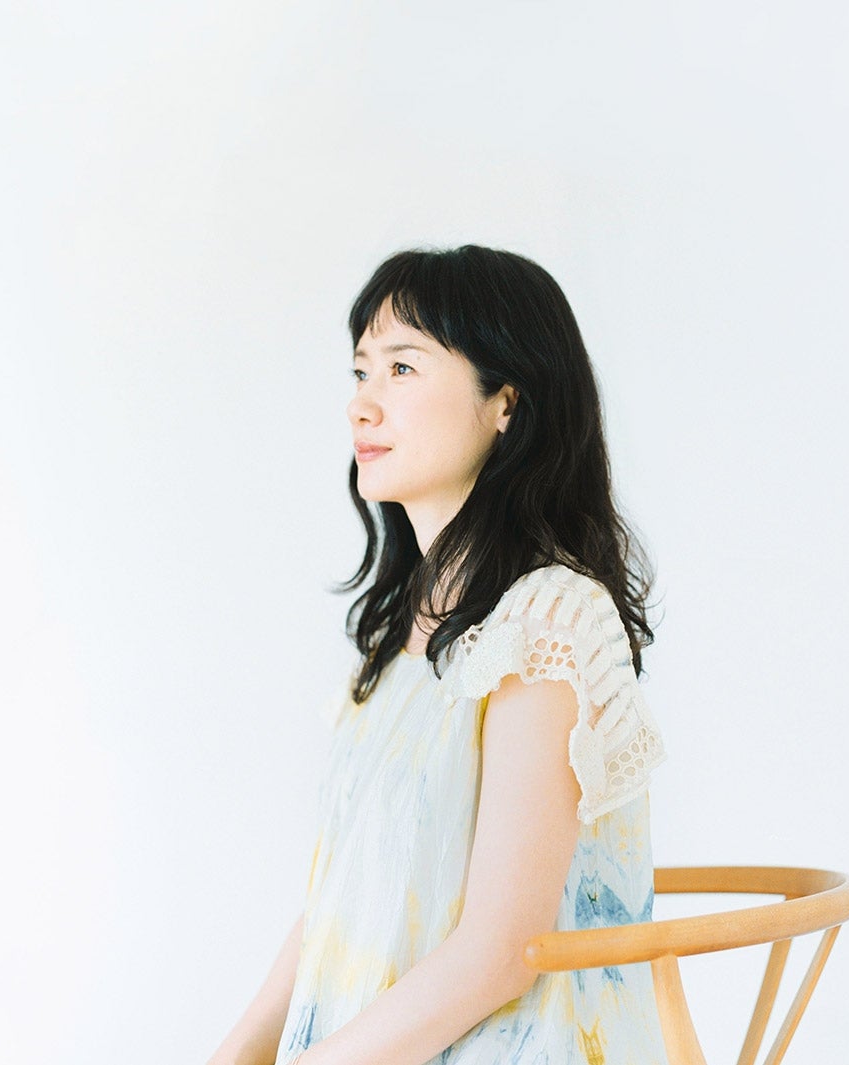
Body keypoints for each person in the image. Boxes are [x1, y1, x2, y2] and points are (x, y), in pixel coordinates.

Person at [208, 244, 669, 1065]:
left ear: (506, 402)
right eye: (361, 372)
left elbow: (500, 951)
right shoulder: (397, 642)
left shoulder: (548, 620)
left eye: (402, 368)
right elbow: (343, 899)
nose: (362, 405)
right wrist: (239, 1051)